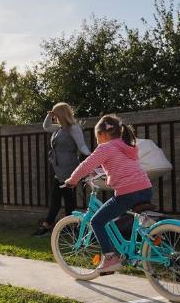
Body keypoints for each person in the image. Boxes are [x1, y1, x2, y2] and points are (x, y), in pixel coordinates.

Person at [65, 114, 152, 273]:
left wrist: (72, 180)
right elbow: (119, 167)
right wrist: (100, 173)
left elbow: (87, 164)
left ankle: (111, 259)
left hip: (128, 193)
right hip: (146, 188)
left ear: (103, 134)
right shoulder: (126, 146)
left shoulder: (106, 147)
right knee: (129, 217)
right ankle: (138, 249)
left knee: (97, 221)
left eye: (97, 136)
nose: (97, 140)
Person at [33, 103, 92, 236]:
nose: (55, 118)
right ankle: (66, 226)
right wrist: (49, 114)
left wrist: (92, 158)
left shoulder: (74, 128)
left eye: (56, 115)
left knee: (62, 196)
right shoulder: (59, 128)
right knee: (61, 196)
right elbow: (46, 126)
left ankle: (53, 225)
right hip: (58, 166)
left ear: (62, 114)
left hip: (69, 166)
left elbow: (82, 146)